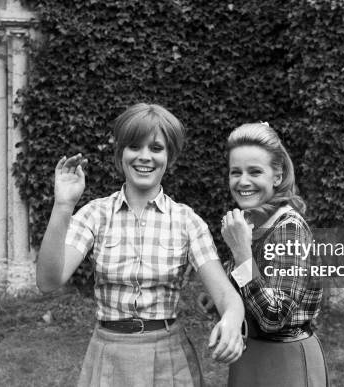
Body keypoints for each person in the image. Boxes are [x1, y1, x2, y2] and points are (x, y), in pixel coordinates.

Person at [36, 103, 245, 387]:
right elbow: (49, 281)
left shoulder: (187, 221)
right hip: (109, 353)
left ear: (169, 157)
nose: (145, 156)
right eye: (135, 146)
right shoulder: (94, 214)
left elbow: (226, 297)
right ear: (120, 153)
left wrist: (232, 318)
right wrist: (63, 204)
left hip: (169, 358)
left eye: (156, 148)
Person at [199, 122, 328, 386]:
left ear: (277, 176)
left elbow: (273, 317)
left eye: (254, 171)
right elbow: (255, 292)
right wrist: (223, 294)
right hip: (251, 355)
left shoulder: (290, 229)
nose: (242, 181)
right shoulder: (255, 222)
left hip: (284, 361)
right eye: (236, 172)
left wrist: (241, 252)